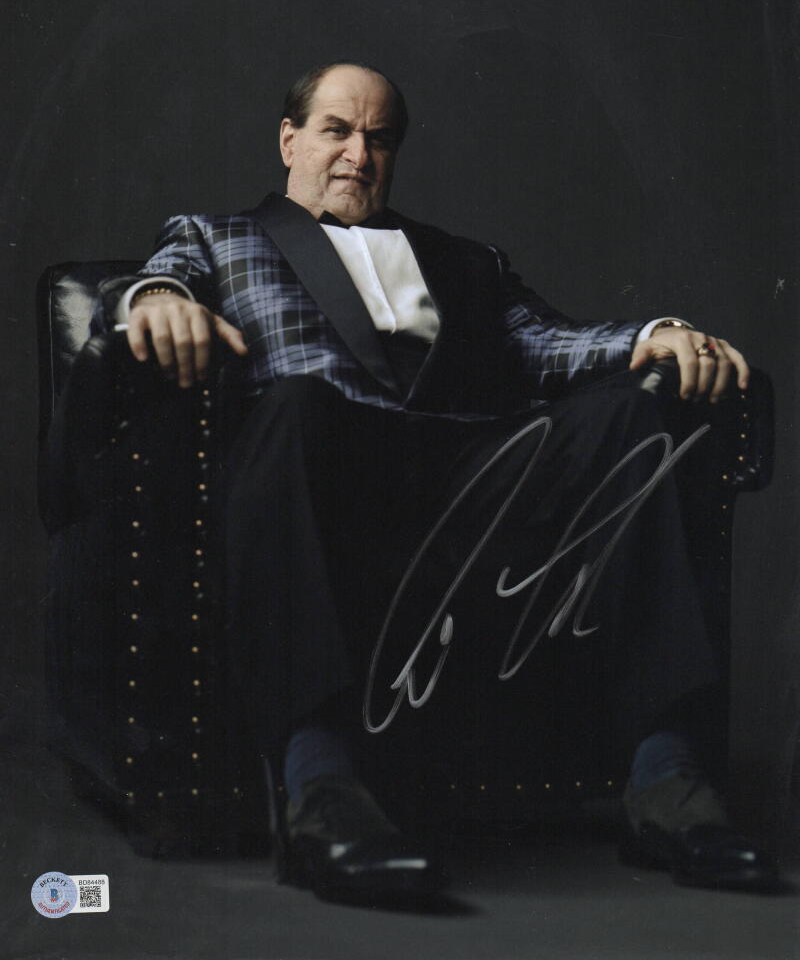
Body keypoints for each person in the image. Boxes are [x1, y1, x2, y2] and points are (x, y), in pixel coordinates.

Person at [95, 61, 774, 900]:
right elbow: (153, 278)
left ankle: (668, 782)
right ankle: (320, 793)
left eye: (379, 138)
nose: (359, 154)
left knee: (631, 418)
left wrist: (658, 333)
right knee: (294, 402)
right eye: (338, 131)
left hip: (469, 478)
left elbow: (545, 341)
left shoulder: (464, 260)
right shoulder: (216, 235)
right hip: (326, 472)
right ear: (290, 140)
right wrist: (158, 296)